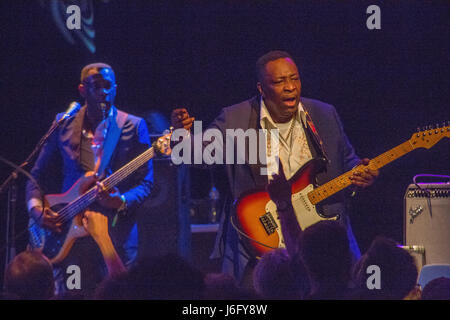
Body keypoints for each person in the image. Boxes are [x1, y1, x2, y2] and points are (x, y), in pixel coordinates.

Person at [171, 50, 378, 285]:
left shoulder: (324, 113)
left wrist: (361, 173)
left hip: (321, 241)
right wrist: (181, 135)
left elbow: (348, 161)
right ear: (261, 88)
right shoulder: (235, 119)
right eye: (279, 82)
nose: (290, 87)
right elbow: (195, 158)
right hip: (260, 240)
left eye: (294, 78)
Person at [25, 63, 153, 295]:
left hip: (116, 235)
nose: (103, 91)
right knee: (74, 294)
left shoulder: (133, 125)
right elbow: (36, 175)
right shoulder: (63, 123)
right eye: (96, 86)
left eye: (108, 86)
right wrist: (37, 211)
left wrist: (121, 200)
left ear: (115, 88)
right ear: (82, 90)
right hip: (67, 233)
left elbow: (146, 183)